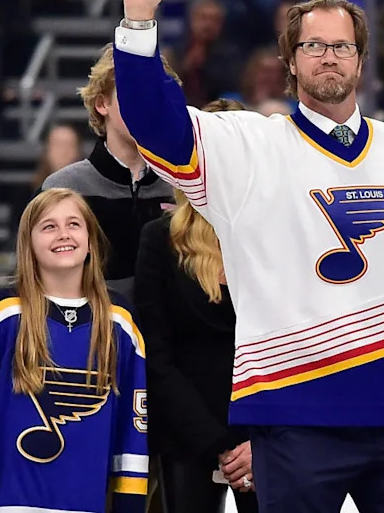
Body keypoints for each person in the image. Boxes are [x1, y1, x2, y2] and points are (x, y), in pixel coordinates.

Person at [109, 0, 384, 512]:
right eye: (313, 46)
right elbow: (155, 122)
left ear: (361, 60)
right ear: (290, 60)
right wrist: (138, 22)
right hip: (291, 417)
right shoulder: (247, 147)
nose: (328, 57)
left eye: (341, 46)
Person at [0, 187, 148, 513]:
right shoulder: (1, 316)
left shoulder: (120, 322)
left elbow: (132, 432)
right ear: (28, 244)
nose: (63, 234)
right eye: (48, 226)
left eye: (73, 224)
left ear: (91, 240)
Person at [134, 98, 259, 513]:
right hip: (186, 434)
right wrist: (219, 443)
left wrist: (255, 442)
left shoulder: (275, 236)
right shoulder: (160, 239)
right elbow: (157, 354)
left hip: (266, 437)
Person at [39, 43, 175, 301]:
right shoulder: (63, 189)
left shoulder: (184, 189)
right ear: (102, 104)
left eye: (154, 95)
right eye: (134, 94)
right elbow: (36, 284)